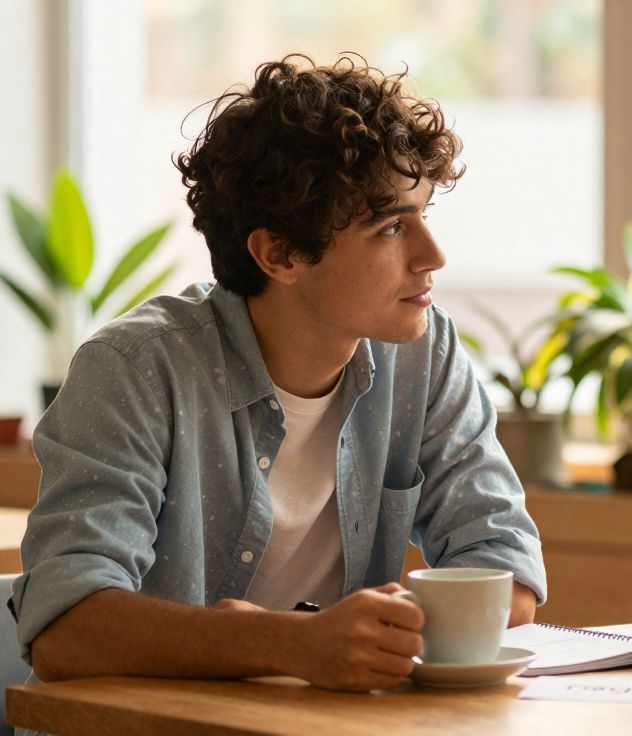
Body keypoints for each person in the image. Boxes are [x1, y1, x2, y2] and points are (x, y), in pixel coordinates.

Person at [10, 54, 546, 693]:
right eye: (390, 227)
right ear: (280, 253)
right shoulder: (135, 370)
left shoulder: (422, 354)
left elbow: (504, 563)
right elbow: (64, 629)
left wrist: (374, 635)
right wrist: (292, 644)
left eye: (425, 215)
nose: (433, 255)